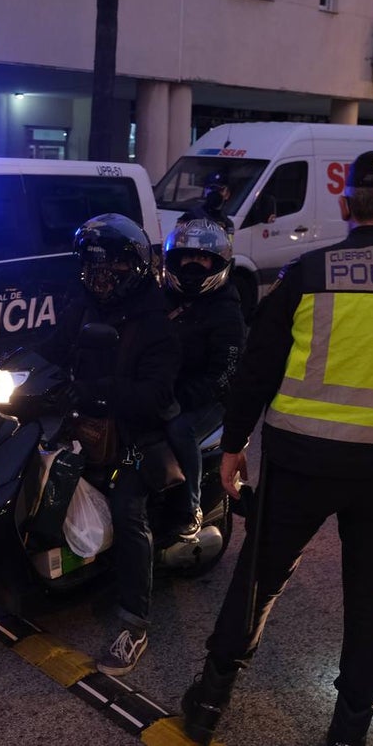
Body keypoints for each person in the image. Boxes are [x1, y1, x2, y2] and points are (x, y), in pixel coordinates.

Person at [179, 151, 373, 746]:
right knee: (372, 602)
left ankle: (208, 704)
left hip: (300, 465)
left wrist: (234, 444)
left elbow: (257, 368)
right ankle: (348, 733)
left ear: (347, 207)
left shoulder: (308, 273)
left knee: (258, 581)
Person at [41, 212, 181, 676]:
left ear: (135, 266)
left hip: (136, 433)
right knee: (37, 471)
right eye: (92, 265)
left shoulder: (155, 319)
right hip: (85, 422)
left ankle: (134, 624)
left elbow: (155, 395)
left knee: (127, 510)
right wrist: (16, 367)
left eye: (113, 265)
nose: (101, 275)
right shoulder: (83, 304)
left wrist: (99, 392)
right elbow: (54, 347)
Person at [161, 218, 246, 539]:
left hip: (209, 398)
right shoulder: (163, 299)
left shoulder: (226, 311)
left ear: (217, 264)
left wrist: (179, 398)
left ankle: (189, 507)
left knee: (179, 428)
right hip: (162, 389)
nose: (193, 265)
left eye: (202, 258)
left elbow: (225, 372)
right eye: (186, 258)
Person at [179, 172, 234, 237]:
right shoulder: (191, 215)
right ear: (205, 191)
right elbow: (178, 236)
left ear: (227, 194)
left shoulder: (227, 223)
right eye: (211, 188)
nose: (214, 192)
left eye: (219, 190)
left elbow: (229, 242)